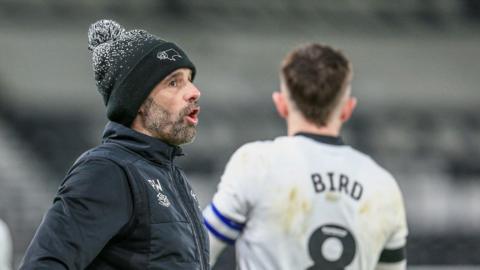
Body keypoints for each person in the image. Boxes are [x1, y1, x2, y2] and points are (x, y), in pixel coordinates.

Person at [20, 19, 209, 270]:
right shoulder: (107, 171)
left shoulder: (171, 175)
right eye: (174, 82)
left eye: (189, 79)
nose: (194, 91)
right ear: (138, 101)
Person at [203, 43, 408, 270]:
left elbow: (196, 252)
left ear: (281, 105)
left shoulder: (256, 163)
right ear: (347, 109)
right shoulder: (383, 185)